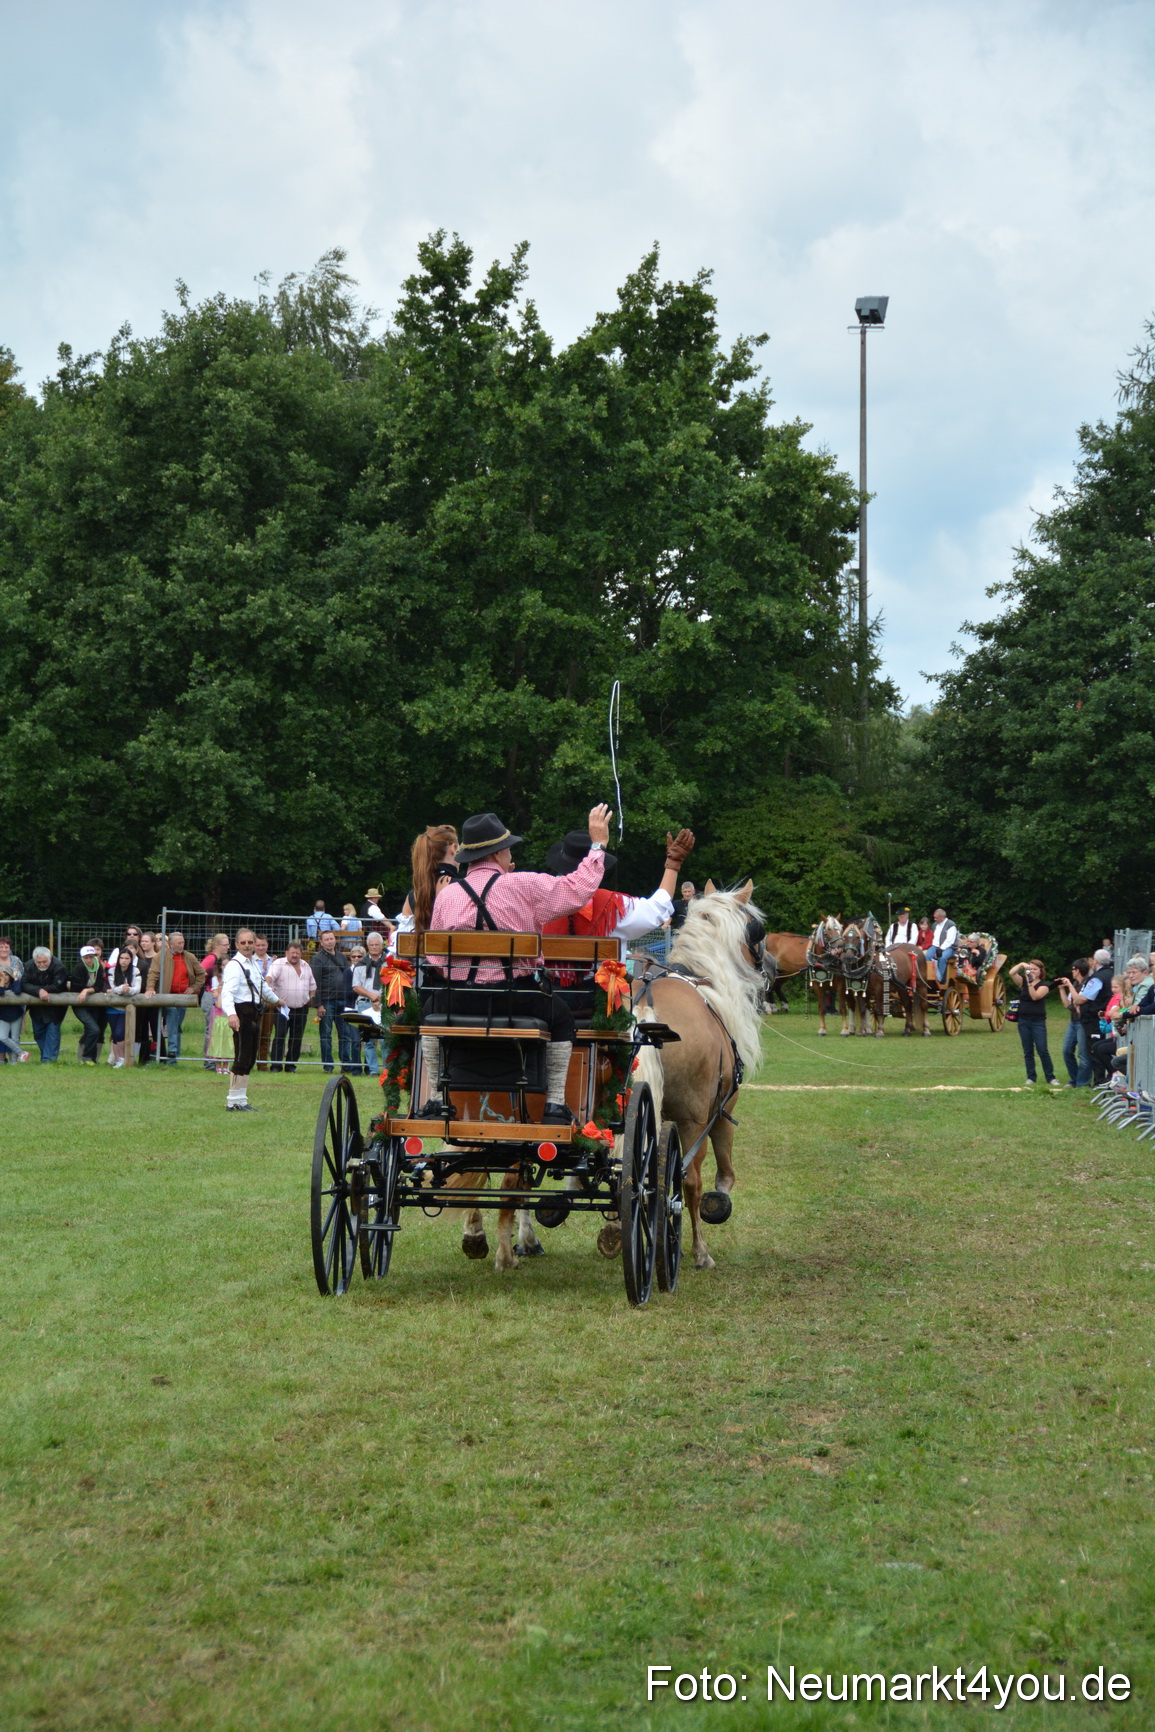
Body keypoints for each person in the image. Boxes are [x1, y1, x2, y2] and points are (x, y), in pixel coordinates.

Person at [424, 805, 611, 1123]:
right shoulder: (523, 886)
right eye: (508, 849)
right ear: (498, 854)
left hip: (460, 1001)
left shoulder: (447, 896)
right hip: (518, 1001)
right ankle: (553, 1104)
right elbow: (578, 890)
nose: (511, 855)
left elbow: (438, 961)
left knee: (430, 1011)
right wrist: (598, 844)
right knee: (563, 1019)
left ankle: (434, 1100)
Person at [542, 825, 692, 946]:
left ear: (559, 863)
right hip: (603, 983)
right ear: (597, 867)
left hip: (548, 983)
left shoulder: (537, 898)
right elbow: (658, 908)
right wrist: (673, 865)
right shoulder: (614, 907)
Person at [220, 928, 283, 1110]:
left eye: (250, 942)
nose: (247, 946)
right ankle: (233, 1101)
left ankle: (242, 1099)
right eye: (243, 943)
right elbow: (227, 993)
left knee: (249, 1058)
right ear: (237, 945)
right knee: (242, 1057)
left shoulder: (253, 963)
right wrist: (232, 1014)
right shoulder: (234, 965)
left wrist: (277, 1001)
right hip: (241, 1013)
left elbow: (262, 987)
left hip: (254, 1013)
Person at [144, 932, 205, 1065]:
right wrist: (150, 988)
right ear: (170, 943)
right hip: (167, 996)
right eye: (179, 943)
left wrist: (194, 988)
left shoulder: (189, 957)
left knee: (176, 1026)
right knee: (172, 1018)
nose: (182, 945)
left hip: (183, 998)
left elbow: (201, 973)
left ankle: (173, 1055)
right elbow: (153, 973)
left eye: (183, 942)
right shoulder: (161, 957)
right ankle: (172, 1054)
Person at [266, 941, 316, 1072]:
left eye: (297, 953)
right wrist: (269, 991)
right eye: (292, 952)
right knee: (280, 1036)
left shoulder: (306, 966)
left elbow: (312, 986)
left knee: (296, 1037)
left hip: (301, 1008)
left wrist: (309, 998)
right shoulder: (278, 964)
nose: (295, 955)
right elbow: (269, 978)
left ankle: (291, 1065)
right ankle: (276, 1065)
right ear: (286, 953)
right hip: (282, 1007)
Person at [1007, 959, 1059, 1086]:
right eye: (1031, 969)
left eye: (1036, 969)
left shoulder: (1044, 985)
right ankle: (1031, 1077)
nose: (1033, 971)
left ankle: (1050, 1077)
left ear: (1041, 971)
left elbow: (1035, 996)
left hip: (1038, 1021)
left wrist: (1030, 982)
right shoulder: (1023, 982)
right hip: (1024, 1020)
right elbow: (1012, 973)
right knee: (1028, 1050)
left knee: (1042, 1049)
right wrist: (1021, 965)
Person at [1056, 958, 1103, 1087]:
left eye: (1073, 969)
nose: (1071, 972)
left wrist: (1070, 986)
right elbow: (1068, 1004)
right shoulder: (1076, 984)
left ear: (1077, 970)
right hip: (1073, 1021)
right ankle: (1074, 1079)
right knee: (1066, 1050)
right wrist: (1061, 989)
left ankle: (1083, 1082)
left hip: (1083, 1021)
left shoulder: (1088, 983)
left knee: (1083, 1053)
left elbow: (1078, 1001)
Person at [310, 929, 352, 1074]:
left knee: (345, 1034)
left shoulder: (342, 957)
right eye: (326, 939)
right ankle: (328, 1065)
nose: (329, 941)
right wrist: (318, 1004)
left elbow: (347, 978)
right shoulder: (317, 959)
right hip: (327, 1002)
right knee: (326, 1035)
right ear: (321, 943)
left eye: (331, 939)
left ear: (335, 940)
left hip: (343, 1001)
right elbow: (315, 983)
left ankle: (346, 1064)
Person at [21, 947, 68, 1062]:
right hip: (36, 1007)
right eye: (38, 962)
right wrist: (39, 991)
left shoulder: (59, 967)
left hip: (56, 1007)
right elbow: (24, 983)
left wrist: (42, 990)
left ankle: (49, 1060)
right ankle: (45, 1057)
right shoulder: (29, 965)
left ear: (50, 958)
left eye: (44, 961)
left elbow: (59, 986)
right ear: (34, 960)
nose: (41, 964)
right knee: (38, 1033)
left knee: (52, 1032)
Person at [351, 932, 388, 1072]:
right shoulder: (360, 964)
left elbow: (392, 983)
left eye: (376, 945)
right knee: (368, 1040)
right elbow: (356, 986)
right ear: (367, 946)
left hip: (385, 1003)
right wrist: (372, 996)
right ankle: (373, 1070)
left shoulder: (389, 962)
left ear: (381, 945)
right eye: (371, 945)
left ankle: (387, 1070)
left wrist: (379, 998)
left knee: (385, 1039)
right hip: (365, 1003)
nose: (374, 947)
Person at [69, 943, 109, 1063]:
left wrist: (87, 990)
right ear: (82, 958)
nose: (89, 960)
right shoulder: (79, 968)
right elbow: (77, 987)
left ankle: (90, 1059)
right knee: (94, 1029)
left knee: (93, 1030)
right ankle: (86, 1057)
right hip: (79, 1004)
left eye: (91, 957)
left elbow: (98, 985)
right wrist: (85, 990)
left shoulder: (99, 967)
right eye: (86, 957)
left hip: (92, 1003)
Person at [105, 946, 142, 1065]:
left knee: (120, 1033)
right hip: (113, 1007)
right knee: (115, 1035)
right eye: (121, 958)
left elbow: (137, 988)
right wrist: (121, 988)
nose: (124, 961)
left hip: (127, 1008)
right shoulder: (111, 971)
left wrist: (128, 990)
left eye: (127, 958)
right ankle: (117, 1060)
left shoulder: (135, 971)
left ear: (131, 960)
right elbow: (113, 987)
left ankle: (122, 1058)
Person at [252, 934, 277, 1070]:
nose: (261, 947)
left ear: (267, 945)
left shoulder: (274, 961)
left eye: (263, 945)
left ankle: (262, 1063)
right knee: (253, 1032)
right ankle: (250, 1060)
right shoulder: (250, 960)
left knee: (266, 1033)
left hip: (269, 1001)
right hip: (254, 1001)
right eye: (258, 945)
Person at [0, 963, 28, 1060]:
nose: (5, 977)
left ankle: (14, 1061)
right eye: (2, 974)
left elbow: (17, 991)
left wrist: (15, 977)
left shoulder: (14, 984)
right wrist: (2, 981)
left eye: (6, 974)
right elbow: (1, 992)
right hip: (3, 1016)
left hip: (16, 1015)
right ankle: (22, 1053)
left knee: (15, 1038)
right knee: (2, 1037)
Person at [923, 908, 958, 984]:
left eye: (936, 917)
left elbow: (949, 940)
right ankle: (930, 975)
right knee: (927, 956)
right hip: (935, 946)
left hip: (949, 947)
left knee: (942, 958)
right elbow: (933, 938)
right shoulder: (935, 925)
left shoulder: (951, 925)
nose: (934, 919)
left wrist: (941, 949)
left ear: (942, 917)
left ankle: (940, 979)